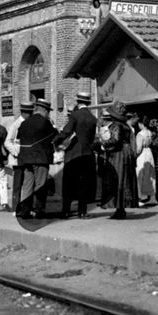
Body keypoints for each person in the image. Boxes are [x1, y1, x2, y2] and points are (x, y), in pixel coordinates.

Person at [56, 91, 97, 219]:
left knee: (68, 182)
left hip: (73, 154)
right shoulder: (92, 118)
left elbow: (66, 131)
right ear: (88, 102)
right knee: (83, 183)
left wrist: (56, 140)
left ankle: (65, 211)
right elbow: (91, 139)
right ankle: (82, 211)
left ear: (78, 102)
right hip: (87, 153)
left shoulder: (75, 115)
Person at [16, 99, 58, 219]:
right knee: (40, 184)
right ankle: (38, 210)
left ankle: (25, 210)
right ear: (44, 110)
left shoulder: (24, 123)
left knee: (27, 184)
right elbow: (55, 136)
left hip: (25, 158)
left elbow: (19, 137)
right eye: (48, 112)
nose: (48, 114)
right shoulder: (45, 123)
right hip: (40, 158)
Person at [97, 102, 136, 220]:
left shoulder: (116, 125)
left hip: (118, 153)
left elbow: (115, 140)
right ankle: (121, 208)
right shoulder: (126, 126)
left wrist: (101, 144)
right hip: (127, 152)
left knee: (117, 178)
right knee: (124, 179)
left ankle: (119, 208)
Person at [5, 101, 35, 213]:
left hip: (29, 158)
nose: (30, 115)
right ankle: (16, 207)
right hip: (18, 159)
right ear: (24, 113)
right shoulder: (16, 125)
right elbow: (7, 142)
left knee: (28, 184)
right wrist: (16, 152)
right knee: (17, 184)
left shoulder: (31, 124)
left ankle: (27, 207)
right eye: (28, 113)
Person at [135, 116, 156, 206]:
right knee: (150, 175)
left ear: (141, 124)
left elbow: (139, 148)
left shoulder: (140, 134)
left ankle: (141, 198)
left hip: (142, 154)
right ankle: (152, 197)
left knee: (140, 174)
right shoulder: (149, 132)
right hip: (149, 153)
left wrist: (134, 155)